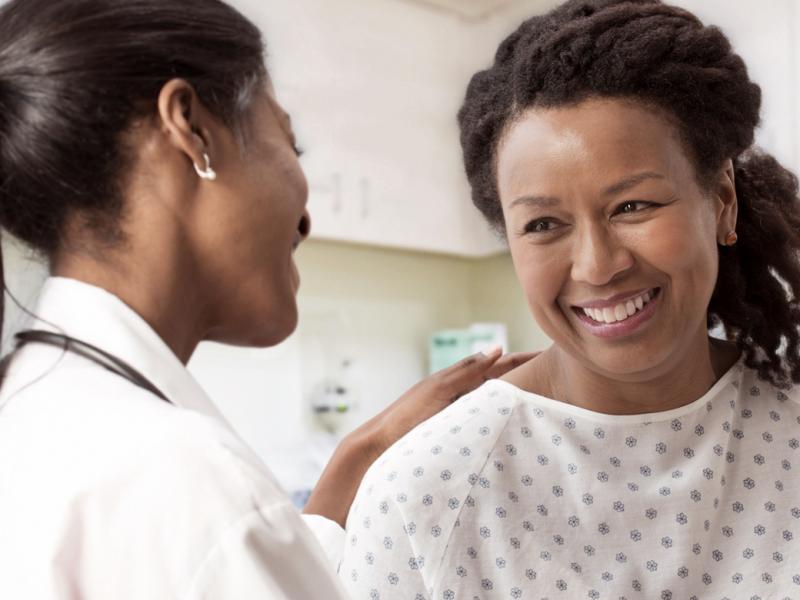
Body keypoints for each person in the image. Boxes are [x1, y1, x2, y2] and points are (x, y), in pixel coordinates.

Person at [0, 0, 536, 598]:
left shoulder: (40, 419)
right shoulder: (186, 483)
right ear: (192, 130)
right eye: (289, 142)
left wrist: (360, 457)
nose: (306, 218)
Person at [340, 0, 800, 597]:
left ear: (721, 200)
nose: (598, 265)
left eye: (633, 206)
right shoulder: (423, 491)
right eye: (543, 225)